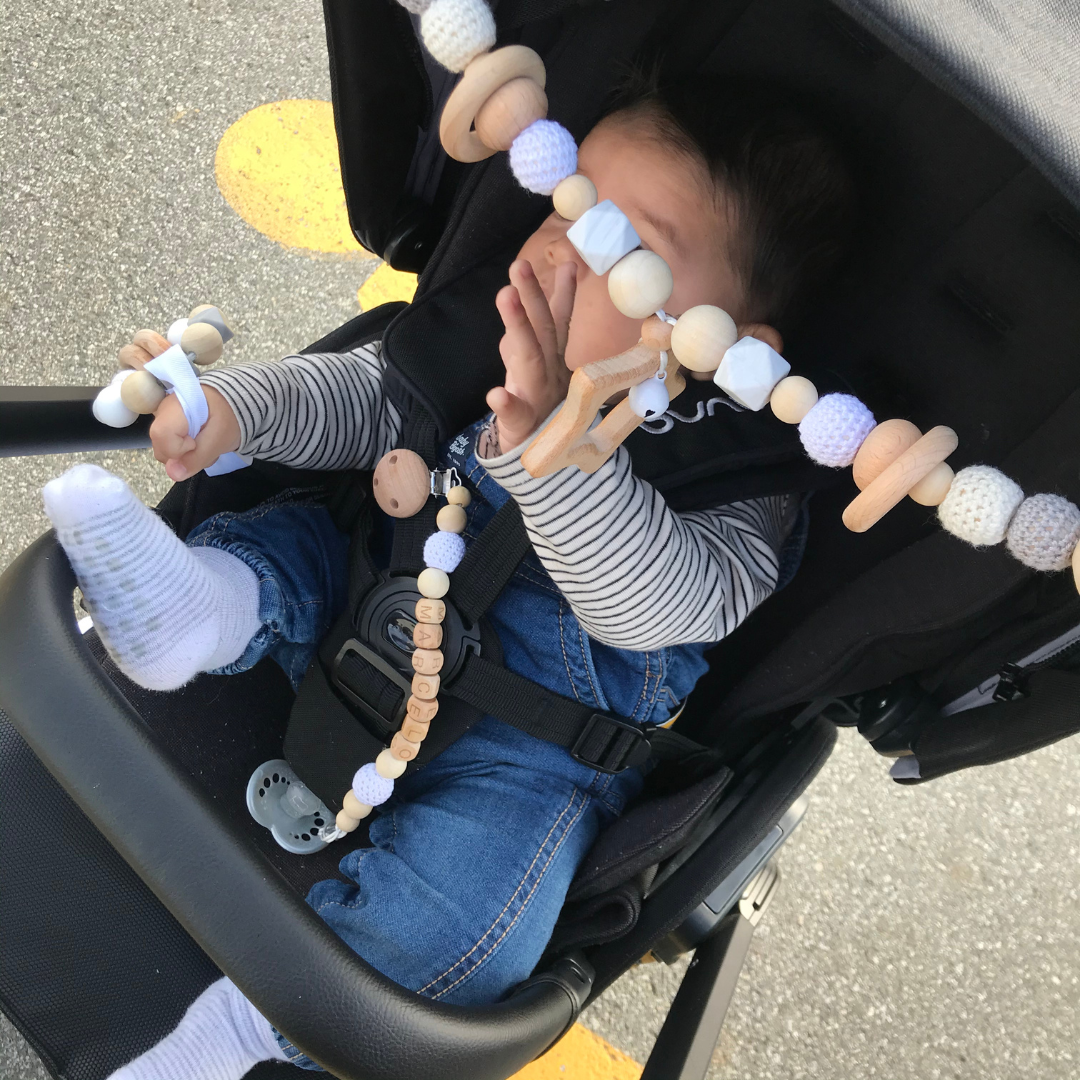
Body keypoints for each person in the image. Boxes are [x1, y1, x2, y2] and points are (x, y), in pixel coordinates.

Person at [42, 72, 854, 1078]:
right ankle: (190, 613)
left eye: (620, 247)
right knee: (293, 542)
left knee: (473, 938)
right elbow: (367, 397)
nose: (560, 246)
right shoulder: (490, 331)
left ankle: (249, 1031)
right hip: (363, 609)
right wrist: (232, 412)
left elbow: (648, 606)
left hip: (523, 760)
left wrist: (543, 431)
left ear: (722, 347)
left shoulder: (744, 489)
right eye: (566, 201)